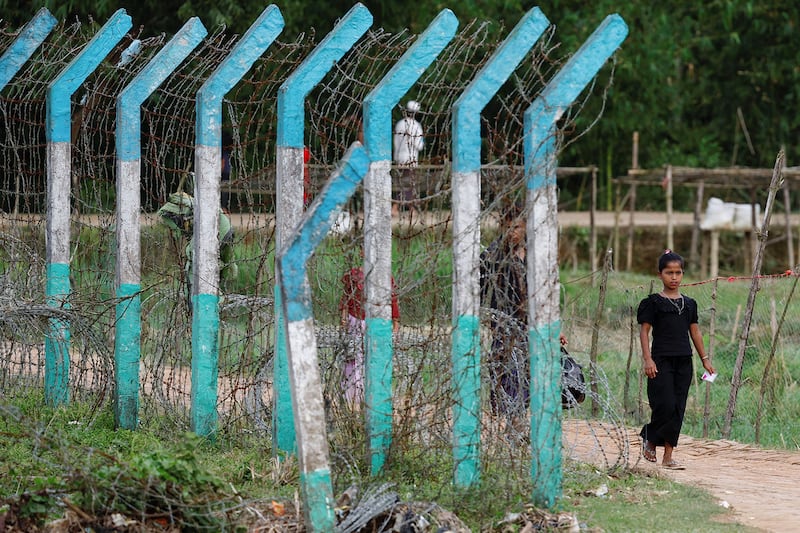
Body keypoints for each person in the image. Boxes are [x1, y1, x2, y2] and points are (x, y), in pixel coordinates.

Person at [480, 205, 567, 419]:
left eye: (517, 227)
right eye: (507, 226)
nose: (512, 232)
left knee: (529, 376)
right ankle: (508, 421)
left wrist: (555, 327)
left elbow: (545, 293)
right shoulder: (493, 256)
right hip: (504, 325)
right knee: (505, 373)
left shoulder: (535, 256)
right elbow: (481, 288)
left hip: (533, 328)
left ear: (527, 227)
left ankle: (516, 420)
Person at [639, 250, 715, 469]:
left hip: (684, 361)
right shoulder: (652, 303)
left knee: (678, 408)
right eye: (668, 273)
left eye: (678, 273)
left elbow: (695, 333)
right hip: (660, 360)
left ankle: (668, 456)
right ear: (660, 274)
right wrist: (647, 359)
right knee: (664, 404)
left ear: (683, 274)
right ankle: (650, 437)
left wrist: (705, 359)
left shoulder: (689, 304)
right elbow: (644, 332)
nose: (674, 277)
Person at [339, 259, 400, 407]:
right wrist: (344, 316)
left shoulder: (384, 276)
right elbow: (346, 298)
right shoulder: (353, 275)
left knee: (374, 360)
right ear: (361, 251)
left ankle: (372, 399)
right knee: (353, 359)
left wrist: (395, 322)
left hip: (376, 323)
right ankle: (353, 399)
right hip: (355, 320)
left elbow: (392, 299)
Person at [392, 100, 424, 216]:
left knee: (400, 183)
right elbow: (419, 145)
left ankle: (406, 207)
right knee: (409, 184)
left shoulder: (400, 124)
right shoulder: (416, 126)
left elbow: (396, 142)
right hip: (411, 158)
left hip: (400, 158)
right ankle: (401, 207)